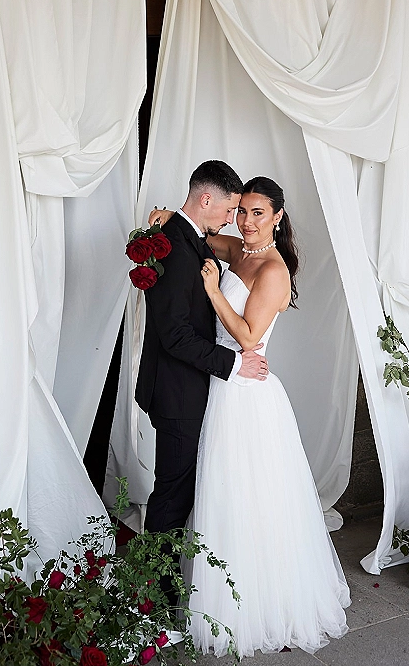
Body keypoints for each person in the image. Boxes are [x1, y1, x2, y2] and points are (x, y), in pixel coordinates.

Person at [155, 176, 350, 656]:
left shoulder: (274, 271)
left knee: (250, 496)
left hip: (246, 388)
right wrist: (164, 222)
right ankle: (210, 594)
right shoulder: (236, 247)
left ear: (277, 217)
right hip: (219, 386)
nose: (246, 221)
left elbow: (246, 336)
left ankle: (256, 603)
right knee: (220, 493)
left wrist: (212, 291)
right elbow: (198, 234)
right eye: (241, 211)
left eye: (257, 213)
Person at [136, 161, 269, 543]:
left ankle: (165, 579)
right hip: (177, 390)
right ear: (206, 199)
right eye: (230, 210)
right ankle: (154, 595)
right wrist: (234, 364)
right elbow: (176, 335)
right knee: (172, 494)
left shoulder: (187, 236)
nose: (232, 220)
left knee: (185, 489)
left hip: (190, 386)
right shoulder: (176, 248)